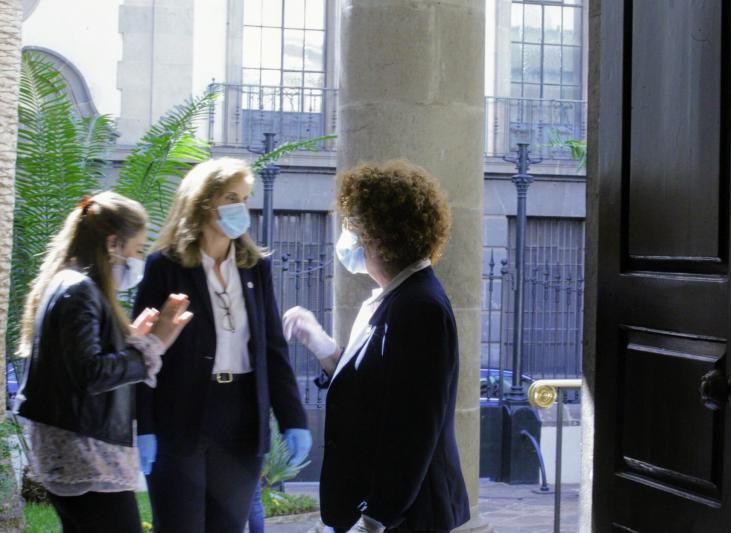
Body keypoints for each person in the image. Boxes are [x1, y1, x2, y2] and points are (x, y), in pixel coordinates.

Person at [283, 160, 470, 532]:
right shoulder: (394, 296)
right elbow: (376, 390)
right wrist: (325, 350)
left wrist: (374, 519)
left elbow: (415, 429)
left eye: (352, 226)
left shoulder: (420, 307)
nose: (346, 236)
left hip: (405, 517)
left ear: (380, 235)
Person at [133, 157, 312, 532]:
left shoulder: (253, 268)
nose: (241, 207)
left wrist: (294, 418)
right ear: (203, 201)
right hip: (181, 415)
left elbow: (273, 349)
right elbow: (144, 349)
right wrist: (145, 424)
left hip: (241, 416)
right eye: (232, 196)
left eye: (245, 198)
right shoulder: (165, 267)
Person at [13, 191, 193, 533]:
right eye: (137, 249)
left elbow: (79, 361)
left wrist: (130, 341)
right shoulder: (79, 289)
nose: (138, 258)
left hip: (76, 442)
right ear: (113, 243)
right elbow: (90, 372)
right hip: (83, 447)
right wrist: (151, 346)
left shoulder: (70, 283)